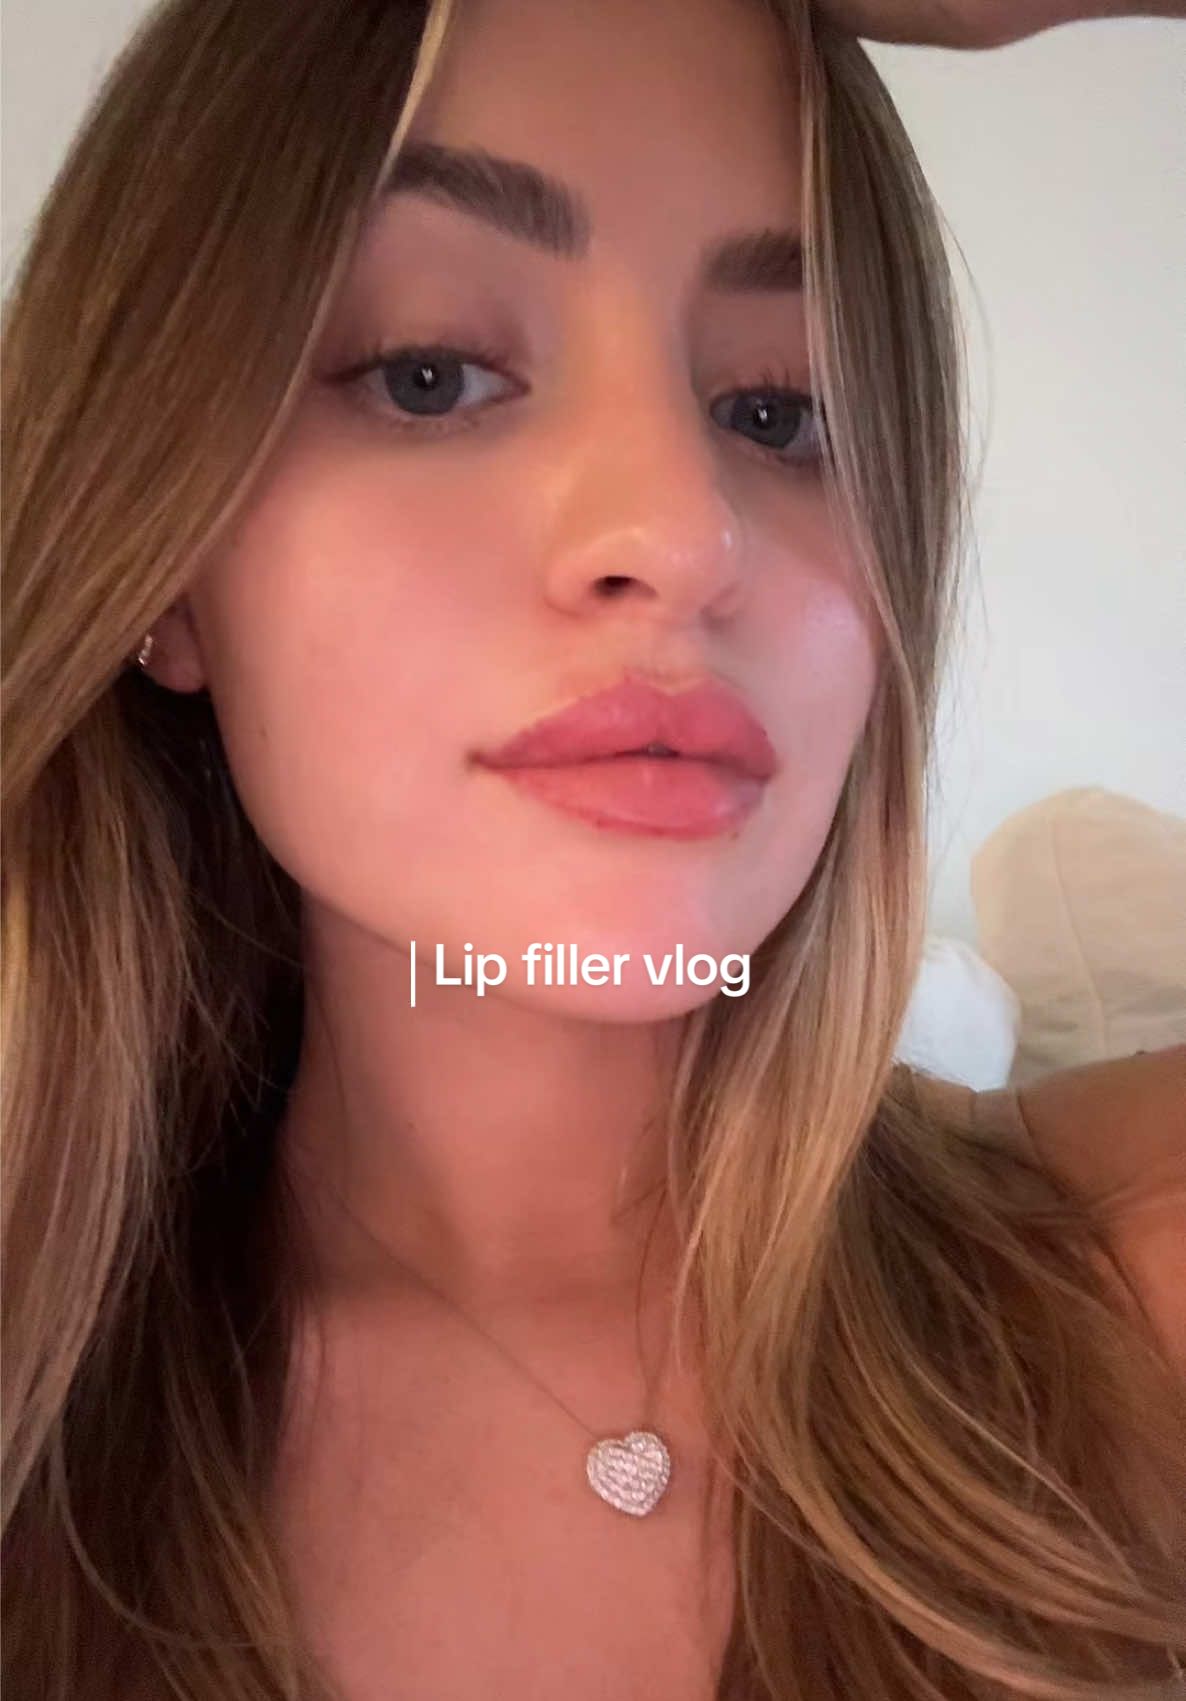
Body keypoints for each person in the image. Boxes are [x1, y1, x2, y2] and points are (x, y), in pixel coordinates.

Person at [2, 0, 1183, 1696]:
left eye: (778, 410)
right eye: (429, 374)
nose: (682, 531)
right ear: (168, 557)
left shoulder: (1135, 1268)